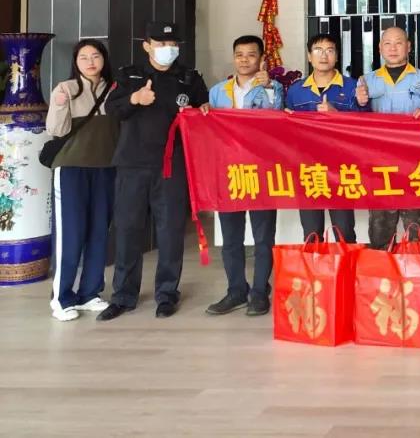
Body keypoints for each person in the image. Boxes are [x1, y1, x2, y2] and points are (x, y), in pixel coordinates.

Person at [97, 22, 209, 321]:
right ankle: (123, 296)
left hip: (172, 167)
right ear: (147, 45)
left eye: (172, 44)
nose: (167, 49)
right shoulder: (130, 75)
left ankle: (167, 294)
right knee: (127, 230)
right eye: (160, 43)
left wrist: (203, 112)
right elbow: (113, 109)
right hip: (132, 164)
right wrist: (135, 99)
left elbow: (205, 115)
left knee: (170, 232)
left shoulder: (189, 78)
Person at [205, 35, 283, 317]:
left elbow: (279, 120)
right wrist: (203, 114)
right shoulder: (218, 91)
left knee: (263, 237)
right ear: (233, 58)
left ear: (261, 59)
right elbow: (209, 130)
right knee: (231, 238)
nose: (244, 60)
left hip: (261, 171)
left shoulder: (271, 88)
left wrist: (270, 89)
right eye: (239, 54)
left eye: (251, 55)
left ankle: (260, 292)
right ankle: (236, 291)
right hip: (228, 172)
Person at [44, 39, 121, 321]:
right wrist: (59, 105)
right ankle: (62, 298)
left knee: (99, 232)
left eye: (96, 56)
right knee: (70, 233)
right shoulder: (65, 89)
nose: (90, 62)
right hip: (71, 169)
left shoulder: (115, 90)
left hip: (105, 169)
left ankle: (89, 293)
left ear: (104, 60)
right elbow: (55, 130)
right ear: (75, 62)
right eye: (83, 57)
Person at [356, 27, 420, 249]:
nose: (393, 48)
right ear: (379, 48)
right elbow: (356, 121)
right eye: (387, 43)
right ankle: (384, 268)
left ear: (409, 46)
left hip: (416, 162)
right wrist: (360, 103)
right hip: (379, 163)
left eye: (399, 43)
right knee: (380, 225)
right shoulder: (366, 81)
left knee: (416, 224)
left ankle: (416, 268)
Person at [284, 32, 368, 242]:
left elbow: (365, 128)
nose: (324, 56)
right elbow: (285, 130)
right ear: (309, 56)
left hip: (342, 168)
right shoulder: (295, 90)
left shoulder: (353, 87)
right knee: (311, 232)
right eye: (318, 50)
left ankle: (346, 265)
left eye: (330, 50)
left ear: (337, 56)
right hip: (307, 168)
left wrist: (336, 114)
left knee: (344, 231)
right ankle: (316, 265)